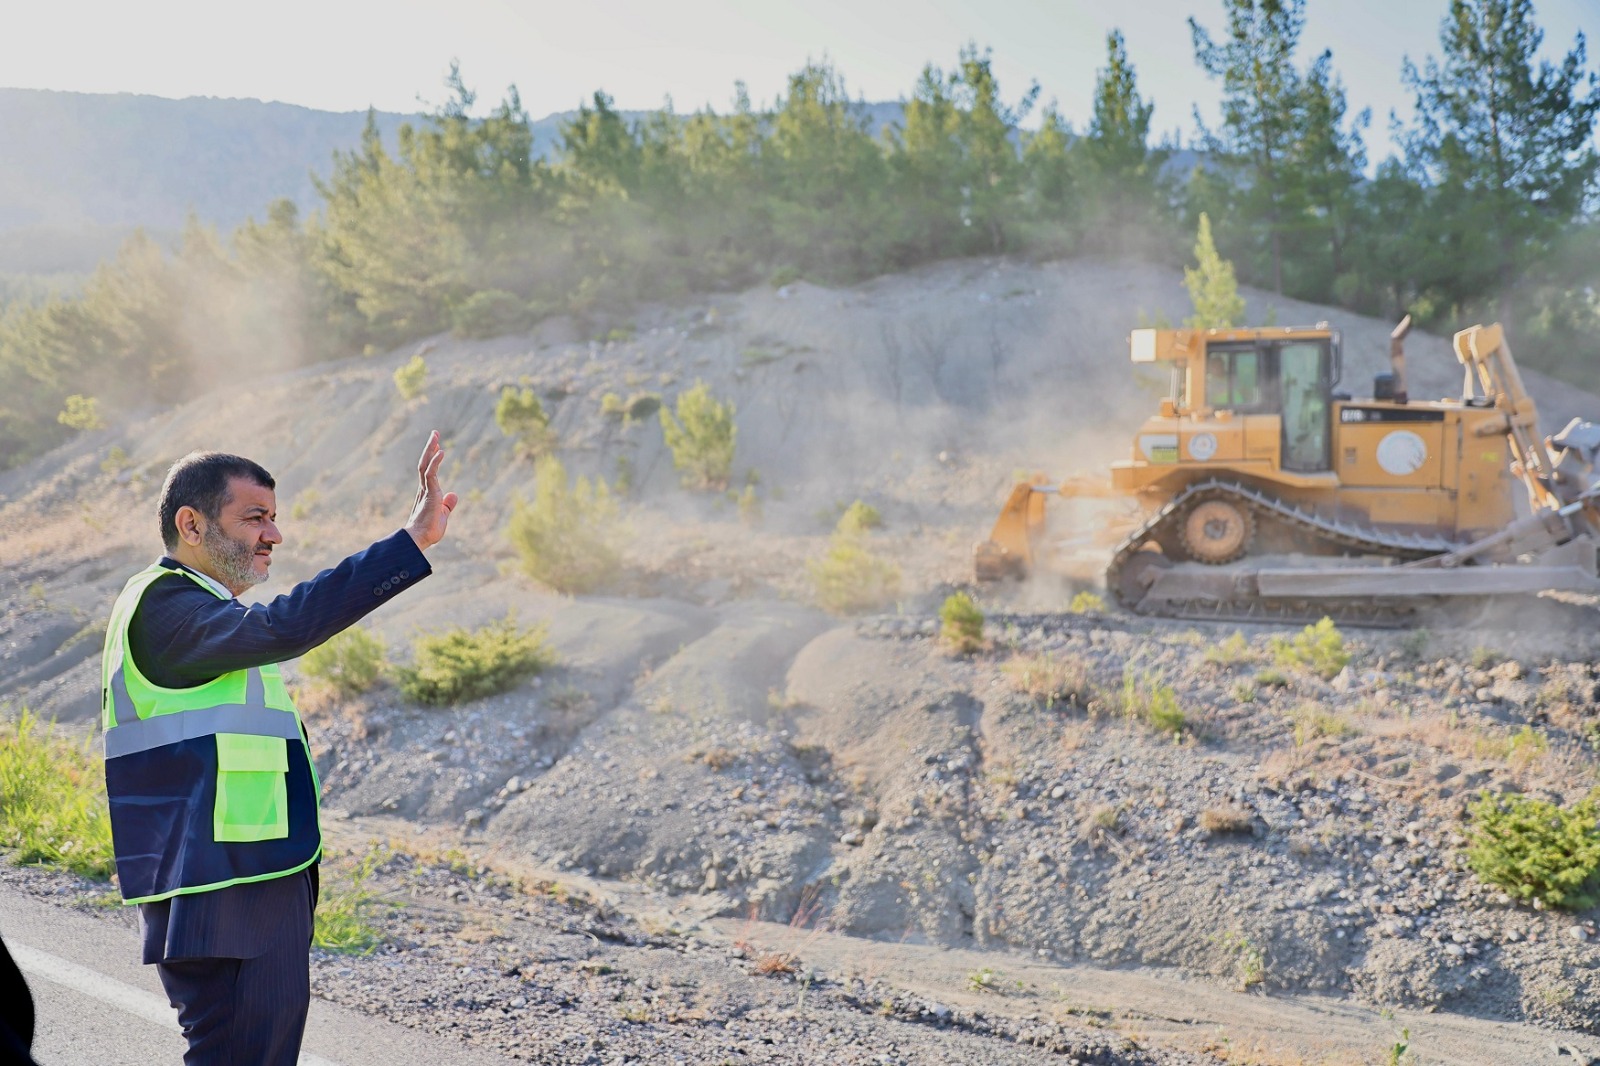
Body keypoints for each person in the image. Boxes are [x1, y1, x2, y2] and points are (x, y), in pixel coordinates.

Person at [99, 431, 457, 1066]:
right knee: (244, 1053)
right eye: (254, 517)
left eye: (274, 517)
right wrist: (410, 545)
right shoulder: (167, 605)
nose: (274, 535)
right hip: (223, 879)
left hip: (234, 871)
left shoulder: (203, 615)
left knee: (240, 1051)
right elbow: (285, 625)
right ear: (191, 523)